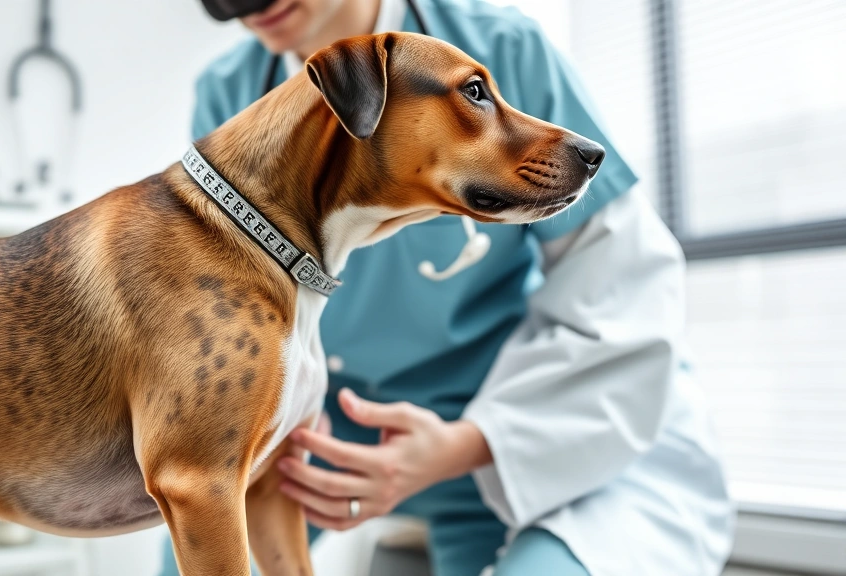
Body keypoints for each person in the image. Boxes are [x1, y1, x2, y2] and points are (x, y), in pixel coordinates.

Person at [163, 0, 736, 574]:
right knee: (193, 544)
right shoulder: (230, 94)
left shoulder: (504, 49)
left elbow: (623, 292)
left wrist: (465, 445)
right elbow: (228, 309)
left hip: (536, 434)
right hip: (335, 441)